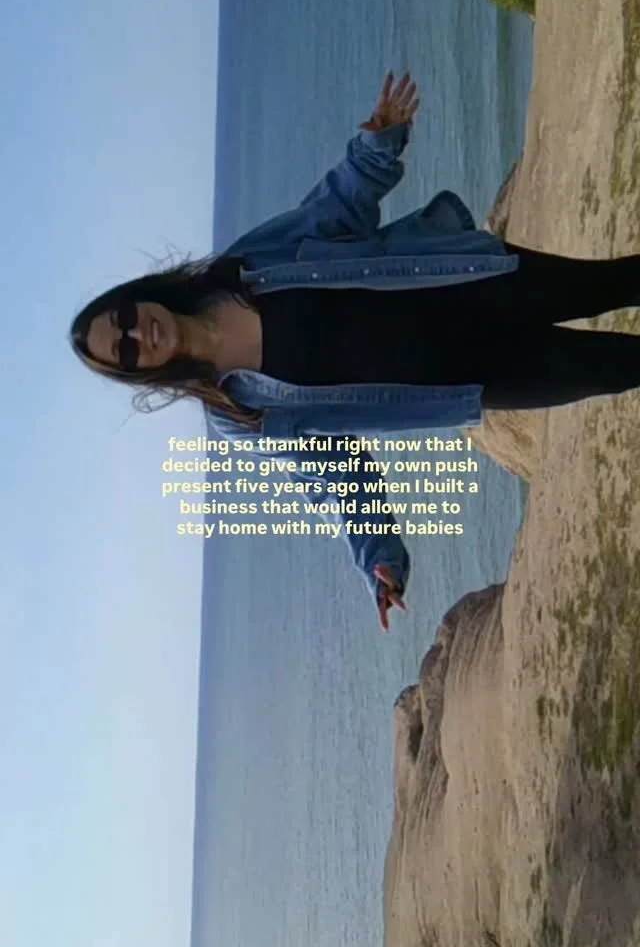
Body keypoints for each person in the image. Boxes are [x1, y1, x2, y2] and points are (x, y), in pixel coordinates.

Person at [70, 70, 640, 633]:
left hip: (472, 284)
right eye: (124, 351)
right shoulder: (238, 411)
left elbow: (333, 213)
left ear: (137, 297)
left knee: (615, 283)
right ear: (139, 374)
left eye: (124, 319)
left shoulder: (241, 268)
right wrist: (379, 559)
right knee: (616, 369)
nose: (137, 335)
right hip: (471, 377)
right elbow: (338, 474)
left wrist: (377, 145)